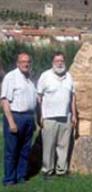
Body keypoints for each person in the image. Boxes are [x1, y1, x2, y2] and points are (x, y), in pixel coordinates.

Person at [37, 52, 77, 179]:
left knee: (63, 146)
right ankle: (47, 171)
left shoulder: (69, 77)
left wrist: (74, 115)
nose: (59, 63)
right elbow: (39, 97)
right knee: (49, 146)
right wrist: (40, 116)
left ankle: (61, 170)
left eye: (61, 61)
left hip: (66, 117)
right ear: (52, 63)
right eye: (57, 61)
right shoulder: (45, 76)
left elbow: (72, 97)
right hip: (49, 117)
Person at [1, 52, 36, 186]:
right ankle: (9, 179)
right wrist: (11, 121)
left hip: (28, 117)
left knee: (24, 150)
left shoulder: (29, 79)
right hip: (15, 116)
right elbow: (5, 100)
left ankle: (21, 176)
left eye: (27, 61)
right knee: (12, 150)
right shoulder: (11, 77)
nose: (26, 64)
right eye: (22, 61)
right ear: (17, 63)